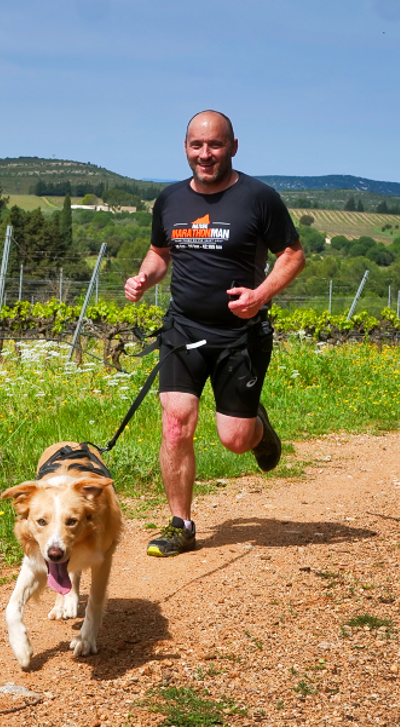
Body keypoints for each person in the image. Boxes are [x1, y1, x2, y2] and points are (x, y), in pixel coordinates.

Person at [124, 110, 306, 557]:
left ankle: (258, 428)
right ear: (185, 148)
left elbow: (293, 254)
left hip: (239, 336)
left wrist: (261, 295)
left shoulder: (259, 198)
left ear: (233, 147)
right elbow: (160, 251)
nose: (205, 155)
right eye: (196, 145)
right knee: (175, 423)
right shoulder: (169, 200)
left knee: (235, 440)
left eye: (215, 145)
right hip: (183, 329)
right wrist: (146, 277)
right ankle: (181, 524)